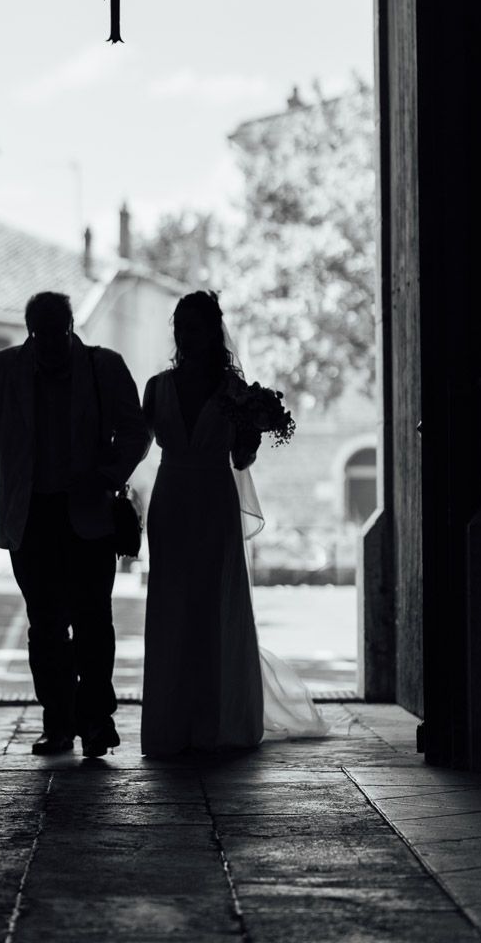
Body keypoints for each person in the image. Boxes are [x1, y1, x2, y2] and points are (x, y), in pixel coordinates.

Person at [0, 291, 150, 758]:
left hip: (89, 512)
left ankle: (96, 721)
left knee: (94, 621)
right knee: (46, 625)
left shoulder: (104, 367)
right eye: (41, 336)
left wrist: (107, 475)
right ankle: (58, 722)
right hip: (31, 513)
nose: (51, 346)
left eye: (58, 335)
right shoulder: (0, 371)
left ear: (71, 327)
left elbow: (137, 431)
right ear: (29, 331)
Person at [140, 290, 327, 757]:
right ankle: (171, 724)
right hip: (171, 500)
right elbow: (136, 445)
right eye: (181, 325)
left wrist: (254, 428)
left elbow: (240, 459)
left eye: (196, 326)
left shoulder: (234, 393)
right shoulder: (156, 387)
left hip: (212, 499)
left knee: (214, 603)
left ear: (213, 331)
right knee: (171, 605)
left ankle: (218, 719)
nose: (187, 334)